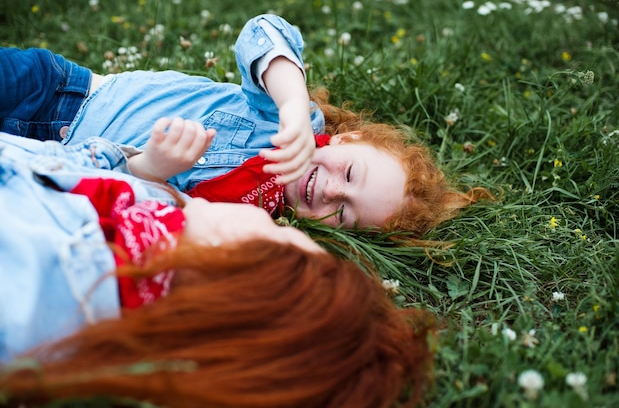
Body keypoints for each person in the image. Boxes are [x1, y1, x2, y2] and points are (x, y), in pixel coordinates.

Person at [0, 132, 436, 408]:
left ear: (235, 273)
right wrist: (147, 171)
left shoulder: (45, 276)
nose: (270, 220)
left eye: (287, 238)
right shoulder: (157, 223)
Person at [0, 14, 490, 234]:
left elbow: (134, 199)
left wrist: (152, 169)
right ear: (349, 138)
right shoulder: (282, 119)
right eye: (350, 174)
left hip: (44, 168)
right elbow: (262, 31)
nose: (332, 192)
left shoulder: (256, 221)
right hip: (62, 95)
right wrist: (294, 102)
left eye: (343, 213)